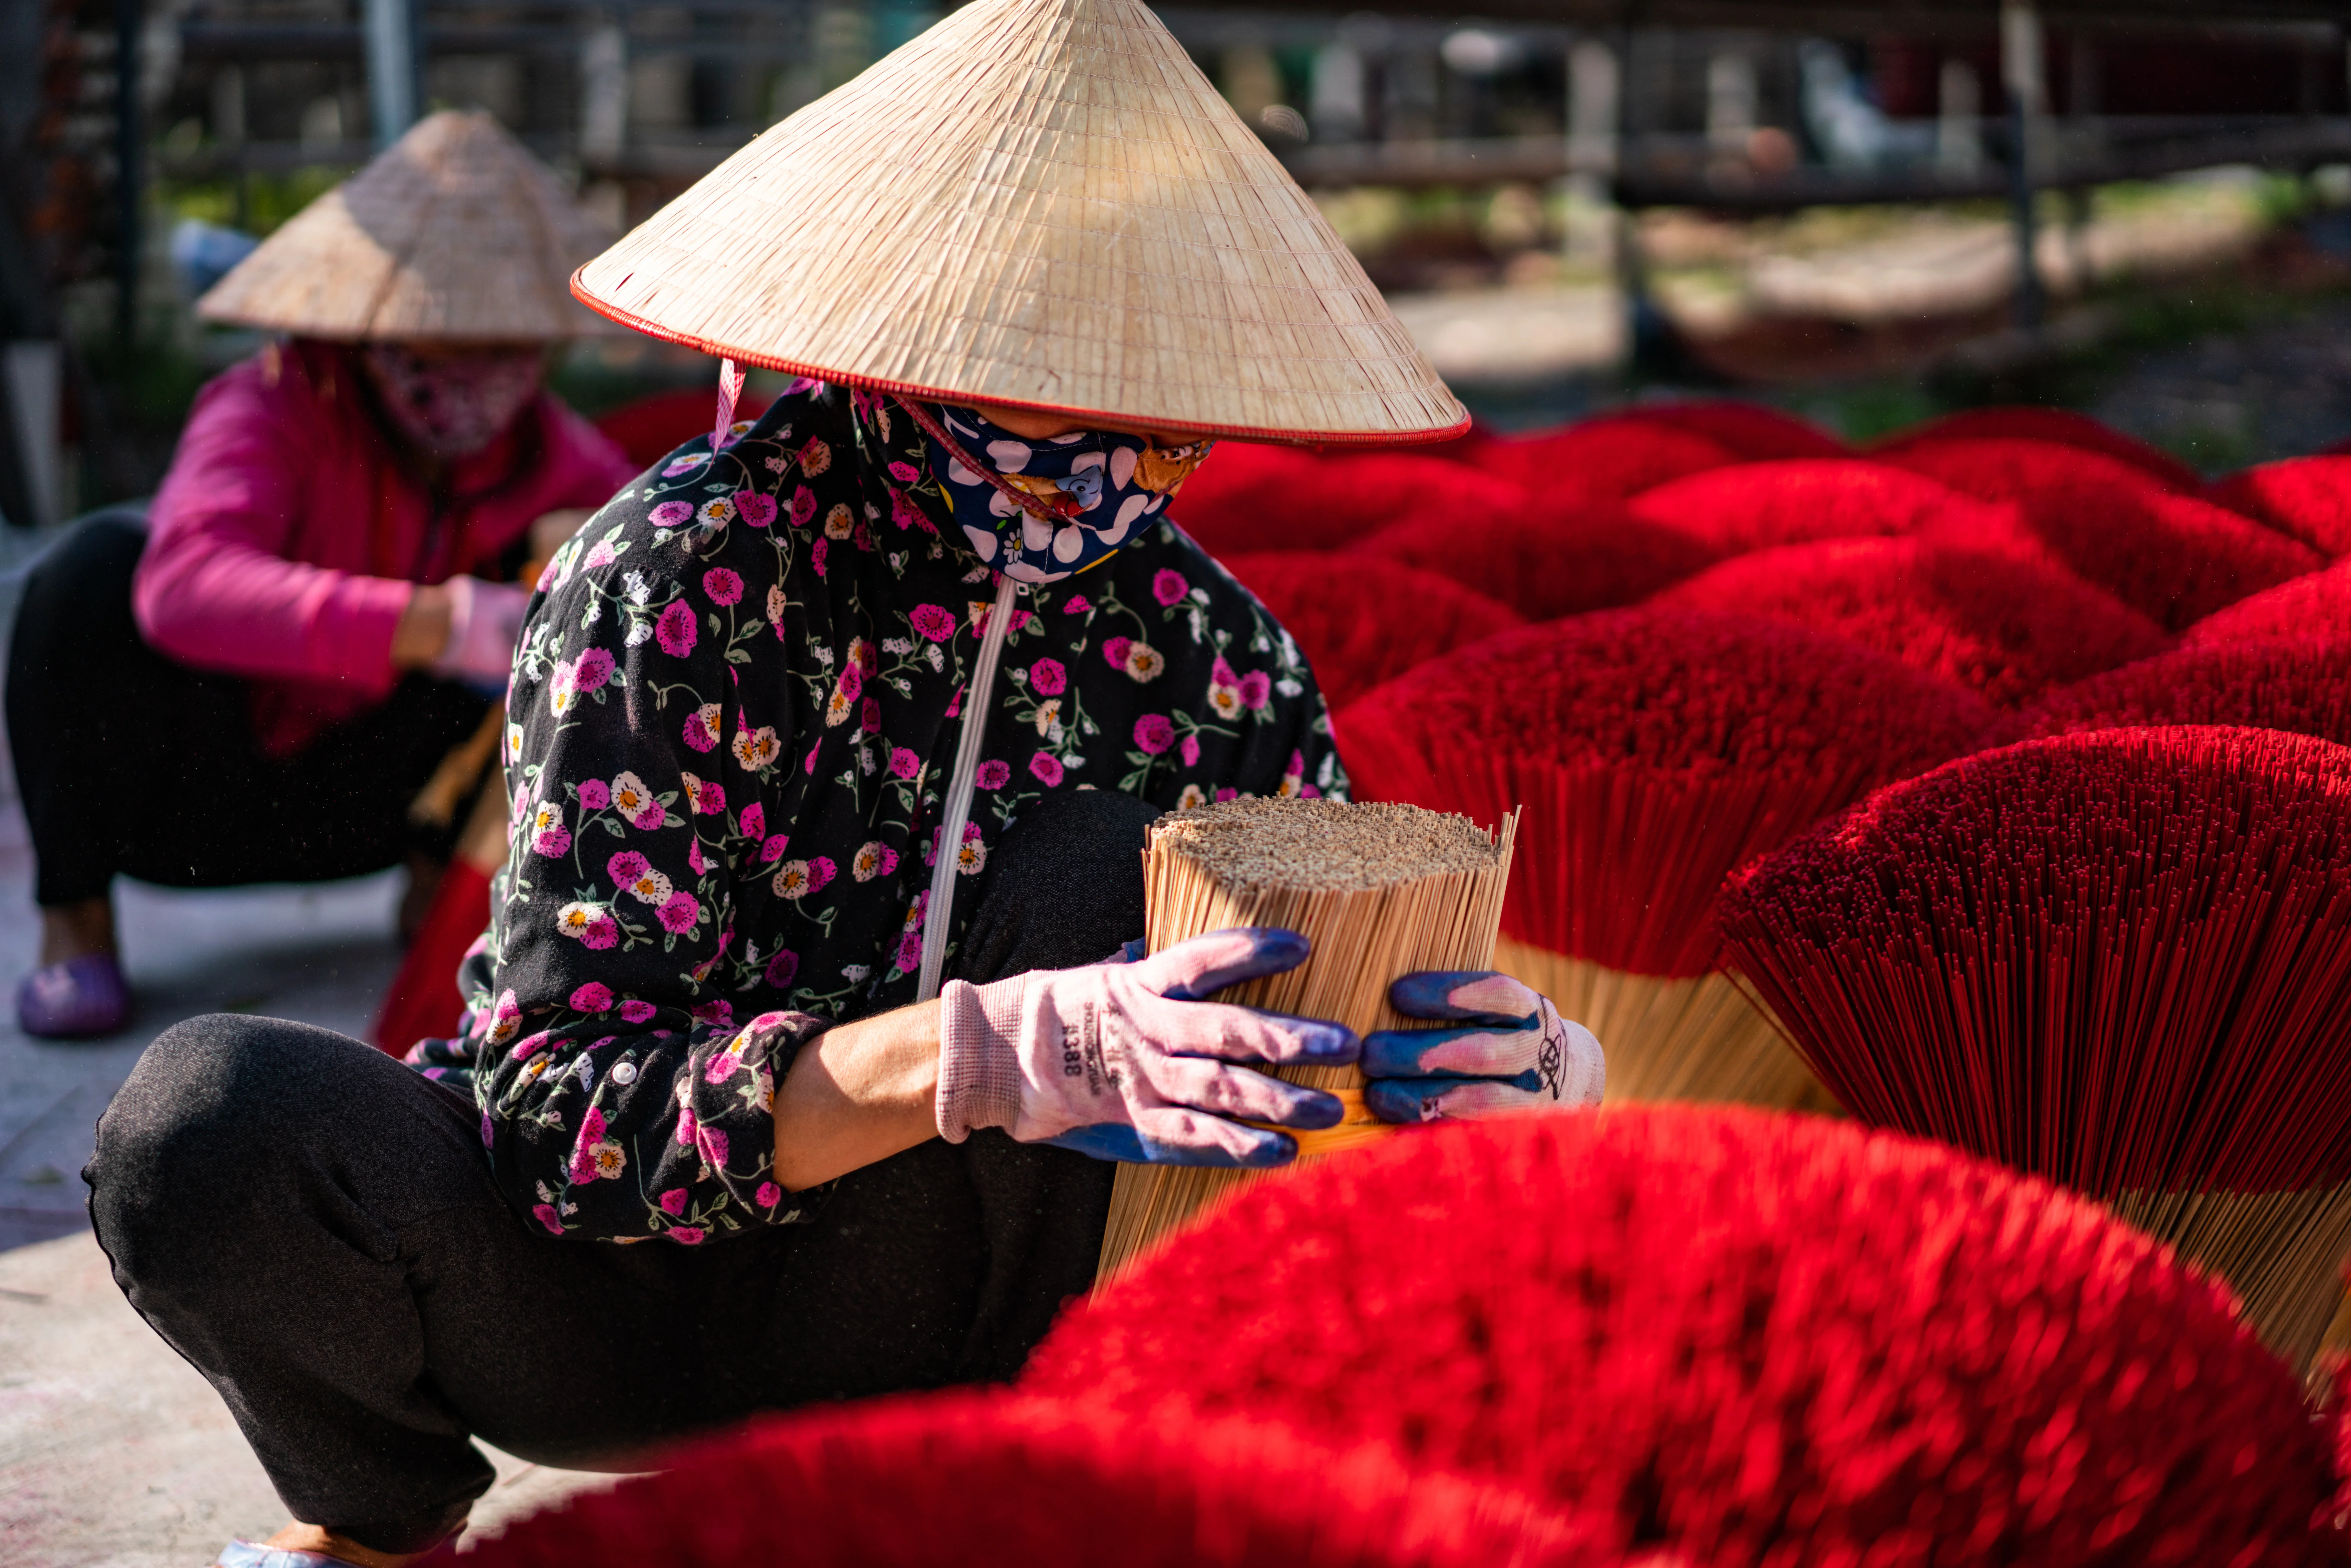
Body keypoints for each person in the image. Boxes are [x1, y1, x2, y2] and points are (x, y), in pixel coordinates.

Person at [83, 5, 1607, 1565]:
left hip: (973, 1315)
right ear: (908, 343)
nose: (1101, 474)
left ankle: (1020, 1491)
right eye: (1040, 403)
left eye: (1154, 427)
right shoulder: (673, 579)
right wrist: (973, 1049)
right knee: (210, 1128)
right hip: (600, 1303)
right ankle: (383, 1528)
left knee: (1114, 870)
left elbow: (1299, 1069)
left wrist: (1514, 1086)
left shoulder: (1215, 651)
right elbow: (557, 1114)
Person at [9, 111, 637, 1039]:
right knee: (84, 577)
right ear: (373, 325)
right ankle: (75, 924)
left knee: (595, 617)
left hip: (372, 810)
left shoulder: (564, 462)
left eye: (499, 346)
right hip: (198, 782)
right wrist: (435, 621)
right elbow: (182, 585)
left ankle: (450, 904)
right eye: (440, 343)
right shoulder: (276, 403)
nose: (470, 373)